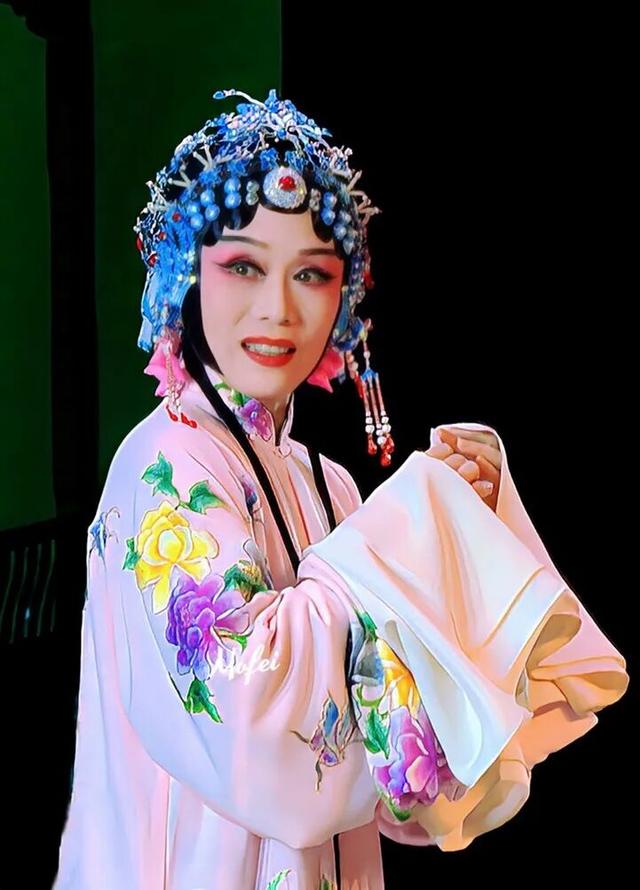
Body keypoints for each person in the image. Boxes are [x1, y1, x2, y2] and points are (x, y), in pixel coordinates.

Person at [53, 89, 628, 890]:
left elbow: (397, 776)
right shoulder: (165, 465)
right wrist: (408, 534)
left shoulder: (331, 485)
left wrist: (456, 537)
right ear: (184, 276)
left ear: (344, 302)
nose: (278, 309)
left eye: (312, 274)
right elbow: (252, 728)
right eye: (243, 266)